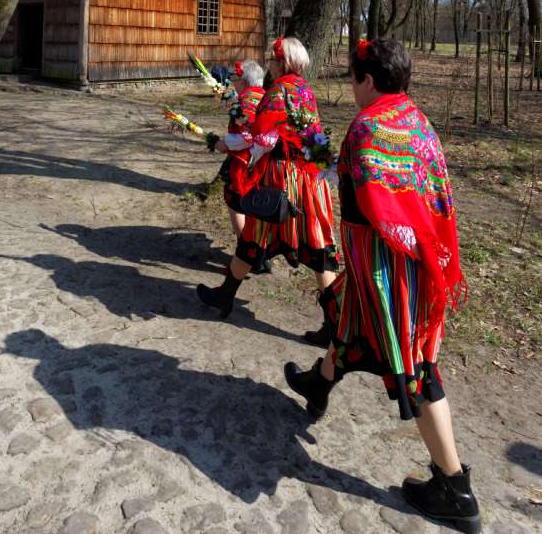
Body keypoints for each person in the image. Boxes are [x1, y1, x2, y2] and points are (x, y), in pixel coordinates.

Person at [284, 38, 480, 534]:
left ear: (368, 80)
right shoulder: (416, 121)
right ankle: (318, 383)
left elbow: (373, 202)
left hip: (387, 274)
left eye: (352, 78)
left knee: (413, 367)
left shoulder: (367, 126)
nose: (351, 88)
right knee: (350, 330)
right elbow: (431, 194)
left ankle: (454, 488)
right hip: (409, 266)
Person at [197, 36, 338, 338]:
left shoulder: (276, 94)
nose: (270, 66)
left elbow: (255, 136)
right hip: (310, 179)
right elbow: (309, 135)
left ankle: (225, 295)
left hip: (281, 176)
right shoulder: (305, 91)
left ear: (280, 63)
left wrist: (226, 144)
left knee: (254, 235)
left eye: (272, 61)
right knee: (317, 246)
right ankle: (333, 323)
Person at [215, 59, 266, 253]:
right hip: (264, 161)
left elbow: (247, 135)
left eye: (235, 79)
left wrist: (225, 143)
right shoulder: (265, 96)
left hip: (245, 163)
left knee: (235, 202)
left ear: (243, 82)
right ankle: (260, 249)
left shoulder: (246, 101)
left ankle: (248, 251)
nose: (233, 83)